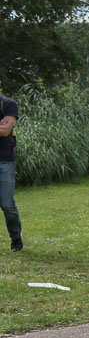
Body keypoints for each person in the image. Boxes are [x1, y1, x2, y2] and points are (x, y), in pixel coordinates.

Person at [0, 92, 22, 251]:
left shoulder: (8, 104)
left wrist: (3, 127)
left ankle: (16, 239)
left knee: (7, 205)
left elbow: (5, 131)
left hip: (4, 161)